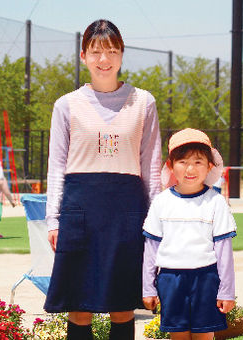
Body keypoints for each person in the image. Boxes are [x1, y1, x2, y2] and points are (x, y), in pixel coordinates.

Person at [44, 19, 162, 339]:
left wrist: (156, 220)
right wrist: (53, 219)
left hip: (127, 210)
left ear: (122, 55)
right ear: (83, 56)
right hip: (79, 208)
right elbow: (56, 166)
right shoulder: (66, 105)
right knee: (79, 306)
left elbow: (151, 165)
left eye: (112, 50)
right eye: (96, 51)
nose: (104, 59)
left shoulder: (144, 102)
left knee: (123, 305)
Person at [142, 128, 236, 340]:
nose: (190, 169)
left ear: (209, 166)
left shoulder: (216, 202)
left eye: (198, 162)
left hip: (206, 277)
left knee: (204, 336)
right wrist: (148, 288)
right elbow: (151, 247)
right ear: (170, 165)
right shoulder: (161, 201)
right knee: (179, 336)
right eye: (182, 161)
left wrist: (226, 292)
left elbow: (224, 251)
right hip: (170, 278)